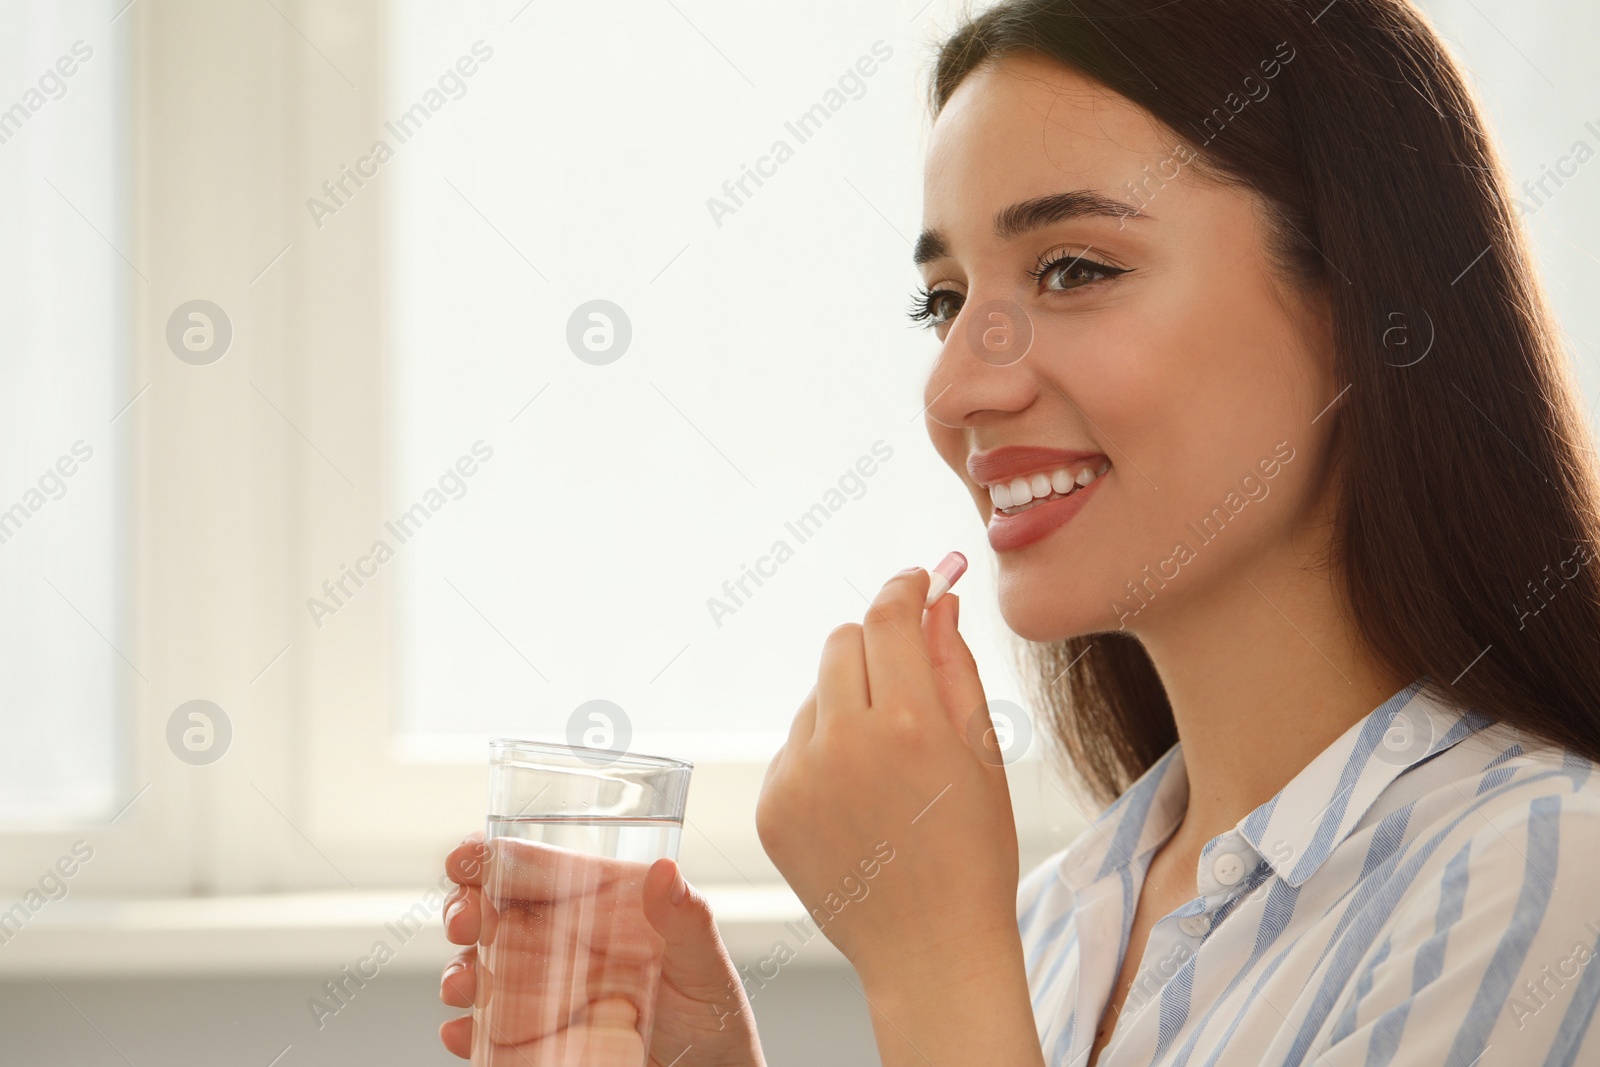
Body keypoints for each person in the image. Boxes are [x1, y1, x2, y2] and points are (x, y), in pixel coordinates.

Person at [436, 0, 1600, 1062]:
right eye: (944, 303)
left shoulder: (1548, 876)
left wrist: (935, 965)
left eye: (1071, 268)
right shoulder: (1060, 920)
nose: (954, 390)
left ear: (1365, 309)